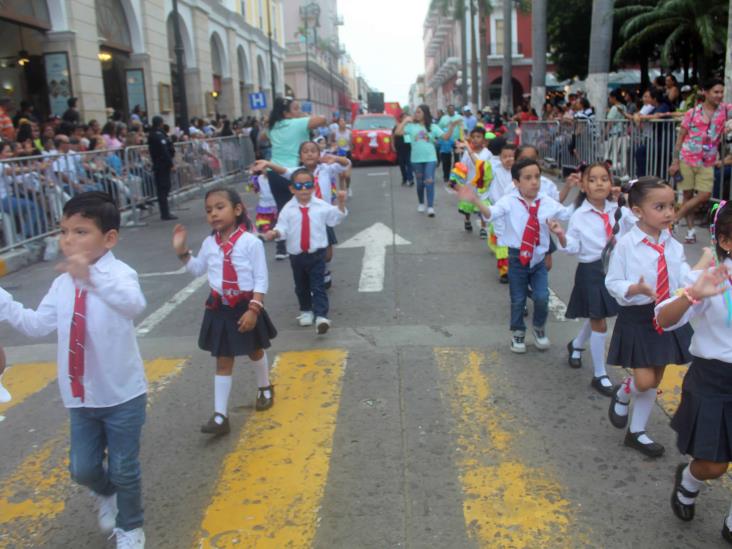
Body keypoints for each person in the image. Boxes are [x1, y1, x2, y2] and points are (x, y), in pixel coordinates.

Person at [0, 192, 148, 548]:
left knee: (125, 468)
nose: (69, 240)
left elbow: (133, 305)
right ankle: (105, 493)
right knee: (82, 469)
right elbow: (37, 325)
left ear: (109, 238)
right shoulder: (61, 283)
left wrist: (91, 278)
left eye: (81, 232)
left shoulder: (120, 274)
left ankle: (130, 527)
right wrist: (4, 301)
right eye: (64, 231)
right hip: (80, 396)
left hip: (123, 394)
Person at [656, 202, 732, 543]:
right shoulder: (709, 280)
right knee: (714, 465)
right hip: (714, 380)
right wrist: (690, 296)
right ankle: (689, 480)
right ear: (727, 241)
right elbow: (663, 320)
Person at [172, 188, 276, 436]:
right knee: (223, 359)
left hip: (246, 305)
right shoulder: (210, 243)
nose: (214, 214)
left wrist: (254, 309)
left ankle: (264, 386)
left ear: (237, 210)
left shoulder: (250, 242)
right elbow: (198, 269)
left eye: (220, 207)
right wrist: (182, 252)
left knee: (254, 350)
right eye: (209, 210)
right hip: (220, 307)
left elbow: (261, 279)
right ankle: (221, 416)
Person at [605, 177, 694, 458]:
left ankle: (637, 432)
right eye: (660, 206)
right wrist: (636, 288)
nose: (669, 212)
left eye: (671, 205)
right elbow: (613, 281)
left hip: (668, 315)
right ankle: (624, 391)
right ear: (637, 211)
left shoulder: (673, 245)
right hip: (638, 315)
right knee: (643, 381)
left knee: (656, 378)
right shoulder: (626, 245)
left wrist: (698, 281)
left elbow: (683, 275)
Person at [457, 158, 572, 353]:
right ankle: (518, 332)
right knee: (518, 299)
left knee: (542, 297)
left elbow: (568, 213)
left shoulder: (546, 202)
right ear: (516, 182)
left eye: (537, 177)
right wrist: (475, 200)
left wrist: (586, 194)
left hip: (538, 258)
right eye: (528, 178)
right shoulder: (509, 201)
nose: (534, 182)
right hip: (517, 257)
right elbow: (491, 213)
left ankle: (538, 328)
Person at [557, 163, 635, 396]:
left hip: (617, 269)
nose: (599, 183)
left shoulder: (619, 211)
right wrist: (560, 234)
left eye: (604, 179)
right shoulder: (579, 215)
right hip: (591, 270)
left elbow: (636, 226)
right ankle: (600, 374)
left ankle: (577, 344)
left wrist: (627, 199)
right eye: (593, 179)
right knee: (599, 319)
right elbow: (572, 248)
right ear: (583, 185)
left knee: (596, 315)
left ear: (611, 183)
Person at [263, 169, 347, 335]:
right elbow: (282, 227)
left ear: (313, 187)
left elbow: (335, 218)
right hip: (297, 255)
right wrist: (275, 233)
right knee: (301, 286)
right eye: (299, 186)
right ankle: (306, 310)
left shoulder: (320, 206)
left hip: (317, 253)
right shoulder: (288, 209)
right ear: (292, 189)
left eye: (308, 185)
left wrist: (341, 203)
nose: (304, 189)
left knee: (318, 285)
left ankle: (321, 316)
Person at [670, 77, 732, 244]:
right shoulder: (692, 113)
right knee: (687, 196)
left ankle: (674, 219)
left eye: (721, 92)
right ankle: (690, 231)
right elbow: (680, 137)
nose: (719, 95)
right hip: (687, 159)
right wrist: (675, 161)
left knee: (704, 195)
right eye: (716, 92)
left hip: (708, 161)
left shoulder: (725, 110)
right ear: (705, 92)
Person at [267, 97, 327, 259]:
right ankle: (302, 241)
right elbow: (323, 119)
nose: (299, 111)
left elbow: (264, 137)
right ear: (286, 113)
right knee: (302, 207)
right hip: (293, 171)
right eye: (296, 108)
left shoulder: (272, 127)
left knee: (282, 207)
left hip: (273, 171)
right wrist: (302, 117)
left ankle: (281, 247)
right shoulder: (297, 123)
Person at [395, 104, 460, 217]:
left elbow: (445, 137)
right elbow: (397, 133)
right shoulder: (411, 126)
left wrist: (452, 127)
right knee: (420, 183)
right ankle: (421, 203)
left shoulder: (433, 127)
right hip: (416, 160)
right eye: (416, 112)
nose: (416, 114)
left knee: (429, 181)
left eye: (419, 112)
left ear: (425, 113)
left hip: (430, 159)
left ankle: (430, 207)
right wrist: (405, 121)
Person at [486, 143, 516, 282]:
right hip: (499, 211)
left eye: (511, 156)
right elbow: (480, 168)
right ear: (500, 158)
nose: (509, 159)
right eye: (505, 156)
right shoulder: (494, 169)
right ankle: (504, 271)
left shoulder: (519, 172)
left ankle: (515, 266)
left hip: (515, 212)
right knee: (501, 241)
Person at [457, 127, 493, 237]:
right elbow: (463, 167)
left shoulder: (488, 153)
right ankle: (467, 219)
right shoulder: (467, 153)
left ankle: (483, 227)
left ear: (484, 140)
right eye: (473, 137)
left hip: (483, 186)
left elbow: (483, 166)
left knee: (483, 205)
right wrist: (458, 181)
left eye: (478, 137)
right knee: (467, 206)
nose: (475, 139)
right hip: (470, 183)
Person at [147, 116, 177, 220]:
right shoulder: (158, 135)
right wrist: (171, 163)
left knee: (164, 188)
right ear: (160, 123)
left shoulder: (156, 134)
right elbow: (164, 150)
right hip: (162, 165)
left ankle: (165, 212)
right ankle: (165, 213)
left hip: (161, 164)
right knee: (163, 189)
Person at [392, 113, 413, 186]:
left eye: (406, 118)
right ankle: (404, 178)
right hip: (399, 148)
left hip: (408, 147)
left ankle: (410, 179)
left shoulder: (410, 127)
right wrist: (393, 146)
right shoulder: (397, 127)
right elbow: (393, 136)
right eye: (404, 118)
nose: (405, 119)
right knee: (402, 164)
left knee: (409, 163)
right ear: (400, 119)